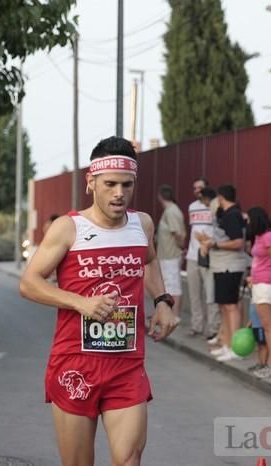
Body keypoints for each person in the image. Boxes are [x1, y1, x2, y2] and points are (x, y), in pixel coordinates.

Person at [19, 136, 177, 466]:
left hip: (127, 364)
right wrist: (81, 303)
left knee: (128, 459)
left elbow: (148, 261)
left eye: (126, 185)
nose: (119, 193)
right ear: (91, 182)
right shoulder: (68, 228)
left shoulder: (141, 224)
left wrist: (162, 300)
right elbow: (29, 283)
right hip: (75, 363)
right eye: (110, 184)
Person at [198, 185, 247, 362]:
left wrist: (215, 245)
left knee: (231, 307)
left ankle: (235, 347)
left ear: (220, 198)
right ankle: (226, 344)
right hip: (222, 265)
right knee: (224, 306)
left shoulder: (233, 215)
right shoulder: (227, 215)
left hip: (231, 266)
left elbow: (238, 242)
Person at [246, 206, 271, 378]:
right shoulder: (260, 236)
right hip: (259, 284)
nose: (247, 223)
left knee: (269, 327)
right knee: (266, 326)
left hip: (266, 284)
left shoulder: (269, 236)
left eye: (249, 220)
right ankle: (270, 363)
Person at [185, 179, 219, 338]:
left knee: (210, 294)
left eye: (200, 188)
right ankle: (196, 325)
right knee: (194, 294)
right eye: (194, 188)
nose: (197, 190)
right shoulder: (191, 207)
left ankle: (213, 328)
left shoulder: (215, 206)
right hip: (192, 255)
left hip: (208, 254)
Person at [156, 184, 185, 321]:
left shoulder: (171, 211)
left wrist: (180, 247)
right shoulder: (171, 210)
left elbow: (178, 234)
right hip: (167, 255)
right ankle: (170, 314)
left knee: (173, 286)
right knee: (169, 285)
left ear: (161, 197)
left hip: (171, 255)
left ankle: (175, 316)